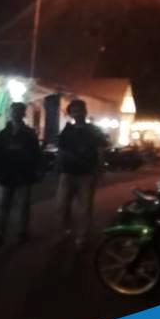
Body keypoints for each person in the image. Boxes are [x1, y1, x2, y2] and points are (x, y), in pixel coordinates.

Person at [56, 99, 107, 247]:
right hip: (67, 173)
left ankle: (82, 236)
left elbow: (100, 150)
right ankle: (65, 231)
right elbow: (61, 150)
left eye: (79, 110)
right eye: (74, 111)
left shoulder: (94, 130)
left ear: (85, 112)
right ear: (70, 113)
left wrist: (99, 169)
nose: (77, 113)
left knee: (85, 207)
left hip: (86, 174)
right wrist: (58, 167)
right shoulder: (67, 130)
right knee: (62, 205)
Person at [0, 102, 40, 245]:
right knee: (3, 205)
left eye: (19, 111)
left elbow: (36, 154)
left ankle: (22, 232)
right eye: (14, 111)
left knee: (23, 205)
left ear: (23, 113)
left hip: (23, 174)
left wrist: (33, 170)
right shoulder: (3, 134)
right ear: (10, 113)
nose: (16, 113)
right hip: (6, 174)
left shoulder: (29, 134)